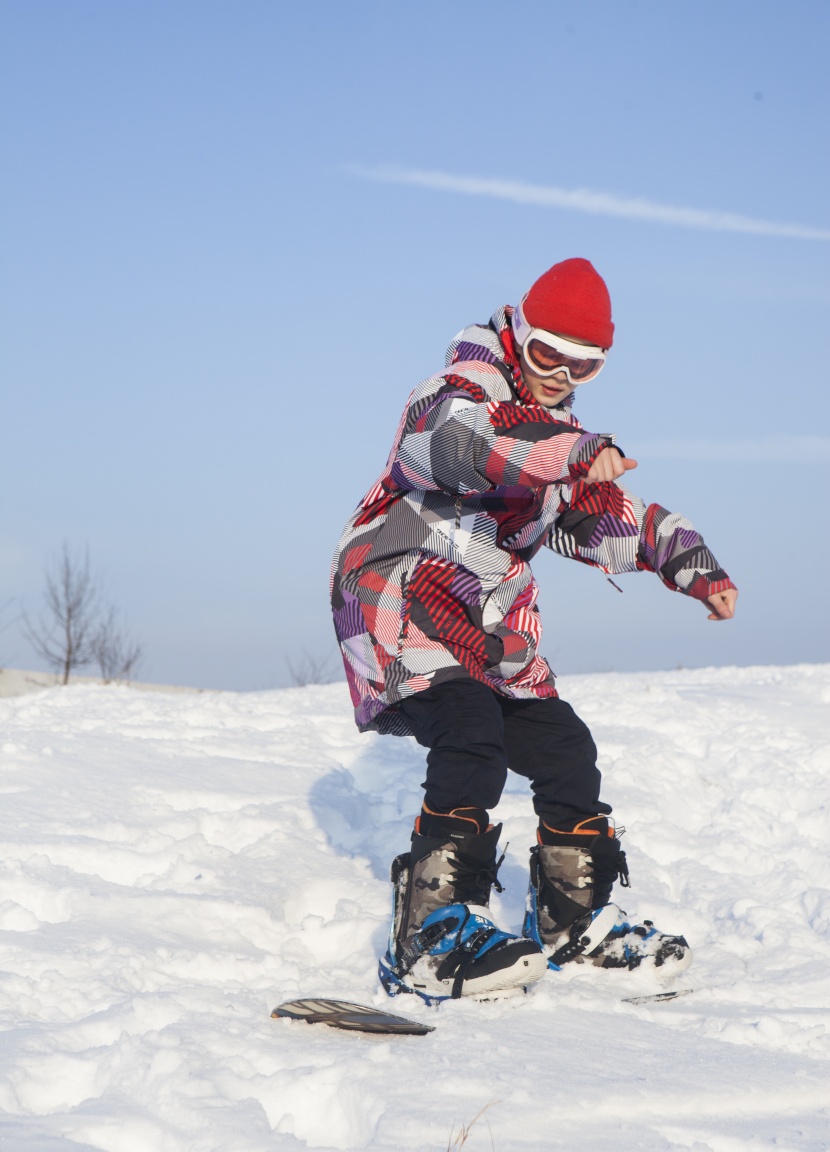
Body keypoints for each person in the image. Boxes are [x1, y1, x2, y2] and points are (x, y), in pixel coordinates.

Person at [330, 258, 737, 1003]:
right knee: (468, 724)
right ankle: (430, 932)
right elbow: (463, 451)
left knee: (560, 741)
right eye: (548, 353)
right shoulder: (451, 396)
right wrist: (572, 453)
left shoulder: (561, 433)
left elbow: (595, 516)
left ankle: (572, 924)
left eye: (585, 363)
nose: (561, 374)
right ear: (517, 330)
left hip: (487, 618)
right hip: (400, 592)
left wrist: (689, 560)